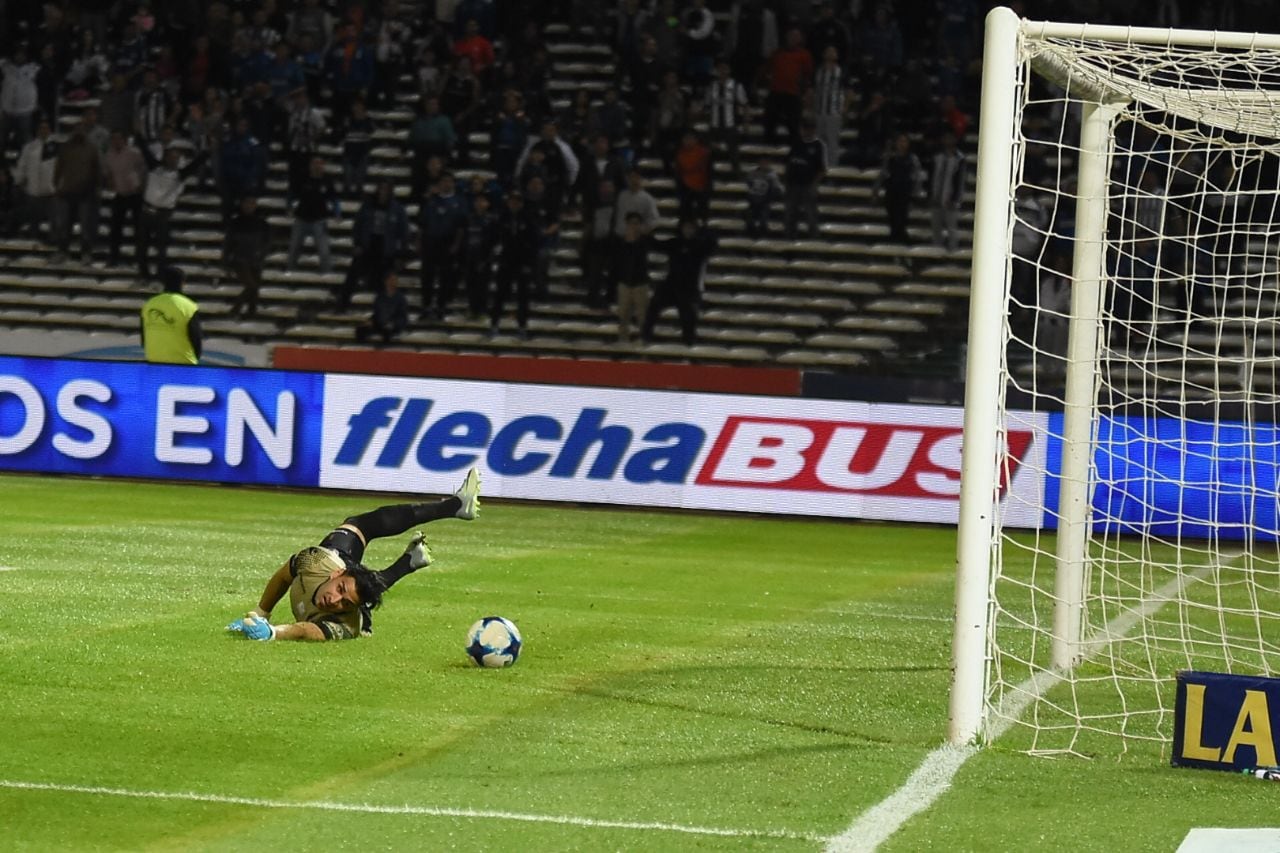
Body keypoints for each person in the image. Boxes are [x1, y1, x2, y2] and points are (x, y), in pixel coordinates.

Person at [227, 469, 481, 642]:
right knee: (358, 525)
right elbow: (284, 575)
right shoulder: (316, 560)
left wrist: (273, 633)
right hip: (336, 559)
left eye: (344, 602)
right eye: (339, 589)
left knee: (364, 588)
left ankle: (410, 561)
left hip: (359, 613)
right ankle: (450, 512)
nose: (335, 600)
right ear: (338, 574)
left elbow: (305, 630)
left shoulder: (346, 623)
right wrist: (261, 613)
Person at [643, 218, 717, 346]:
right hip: (671, 284)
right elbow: (657, 245)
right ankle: (646, 336)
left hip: (688, 288)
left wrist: (705, 229)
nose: (688, 230)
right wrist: (646, 234)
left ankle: (689, 344)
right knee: (653, 307)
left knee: (688, 318)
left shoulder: (700, 246)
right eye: (685, 227)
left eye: (691, 228)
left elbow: (713, 245)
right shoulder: (675, 243)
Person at [139, 145, 209, 280]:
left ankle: (160, 276)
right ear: (165, 158)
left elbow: (196, 163)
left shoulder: (179, 175)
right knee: (142, 246)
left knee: (161, 248)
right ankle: (144, 275)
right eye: (172, 157)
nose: (174, 160)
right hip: (146, 211)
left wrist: (208, 150)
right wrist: (138, 133)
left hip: (163, 214)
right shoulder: (155, 168)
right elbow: (145, 150)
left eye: (177, 158)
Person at [489, 189, 538, 338]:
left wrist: (529, 263)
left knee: (523, 297)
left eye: (517, 201)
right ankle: (494, 325)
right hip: (505, 261)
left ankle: (522, 326)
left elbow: (534, 242)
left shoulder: (528, 219)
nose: (514, 204)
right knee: (500, 295)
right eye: (512, 201)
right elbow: (494, 238)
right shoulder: (501, 218)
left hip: (522, 262)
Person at [287, 155, 338, 273]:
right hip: (301, 219)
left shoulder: (327, 181)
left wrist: (337, 212)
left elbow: (334, 198)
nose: (317, 166)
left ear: (323, 166)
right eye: (315, 163)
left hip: (319, 221)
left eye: (320, 163)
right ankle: (290, 271)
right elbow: (292, 194)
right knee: (294, 248)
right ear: (310, 165)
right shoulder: (302, 178)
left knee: (324, 251)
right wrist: (289, 207)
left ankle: (327, 274)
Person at [140, 266, 201, 365]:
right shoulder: (189, 306)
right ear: (182, 283)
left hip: (154, 361)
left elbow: (143, 338)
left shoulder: (149, 304)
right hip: (183, 363)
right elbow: (196, 339)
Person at [103, 130, 146, 267]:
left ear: (124, 140)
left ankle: (139, 258)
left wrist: (141, 184)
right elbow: (108, 171)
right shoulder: (109, 155)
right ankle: (113, 258)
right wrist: (110, 181)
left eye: (119, 139)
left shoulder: (134, 153)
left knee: (138, 229)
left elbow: (143, 168)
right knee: (115, 228)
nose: (116, 141)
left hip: (135, 194)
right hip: (120, 194)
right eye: (114, 139)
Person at [223, 196, 272, 317]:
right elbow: (228, 243)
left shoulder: (262, 223)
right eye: (246, 203)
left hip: (256, 258)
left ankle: (252, 312)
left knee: (255, 288)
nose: (249, 206)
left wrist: (262, 254)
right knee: (251, 285)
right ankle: (236, 308)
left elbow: (267, 241)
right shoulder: (235, 222)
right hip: (240, 258)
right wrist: (225, 262)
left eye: (252, 203)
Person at [878, 133, 924, 244]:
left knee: (902, 219)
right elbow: (883, 173)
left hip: (905, 193)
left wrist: (915, 193)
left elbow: (917, 176)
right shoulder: (890, 158)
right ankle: (893, 240)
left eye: (904, 141)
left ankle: (901, 241)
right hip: (892, 191)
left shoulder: (912, 159)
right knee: (892, 219)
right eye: (899, 141)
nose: (902, 144)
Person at [784, 120, 827, 239]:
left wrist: (814, 185)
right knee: (790, 215)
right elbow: (789, 162)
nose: (806, 131)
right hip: (792, 185)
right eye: (804, 128)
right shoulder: (796, 142)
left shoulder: (818, 146)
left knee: (811, 216)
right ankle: (789, 241)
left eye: (809, 128)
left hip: (807, 185)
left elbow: (822, 169)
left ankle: (814, 241)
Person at [613, 211, 651, 343]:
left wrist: (634, 239)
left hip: (640, 284)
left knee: (642, 317)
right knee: (623, 315)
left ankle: (644, 341)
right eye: (631, 223)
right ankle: (623, 341)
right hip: (624, 283)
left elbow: (641, 258)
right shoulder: (620, 242)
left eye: (636, 224)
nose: (633, 226)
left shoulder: (644, 241)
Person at [930, 131, 967, 253]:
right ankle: (936, 250)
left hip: (950, 198)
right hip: (937, 196)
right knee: (936, 226)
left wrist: (955, 199)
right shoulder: (937, 157)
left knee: (951, 227)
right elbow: (933, 176)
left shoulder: (959, 159)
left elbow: (960, 181)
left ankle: (952, 250)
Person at [355, 270, 411, 344]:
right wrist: (370, 321)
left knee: (386, 331)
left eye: (395, 280)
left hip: (393, 326)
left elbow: (403, 317)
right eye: (391, 280)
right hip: (380, 324)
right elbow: (376, 313)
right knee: (360, 330)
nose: (393, 282)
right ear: (386, 281)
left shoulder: (401, 298)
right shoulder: (380, 297)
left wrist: (393, 324)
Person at [744, 157, 784, 237]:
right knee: (750, 217)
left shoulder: (772, 175)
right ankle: (750, 232)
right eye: (762, 163)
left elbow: (777, 188)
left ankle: (763, 232)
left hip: (765, 199)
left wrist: (771, 194)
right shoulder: (752, 173)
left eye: (765, 163)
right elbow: (748, 183)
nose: (763, 165)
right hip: (753, 198)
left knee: (763, 218)